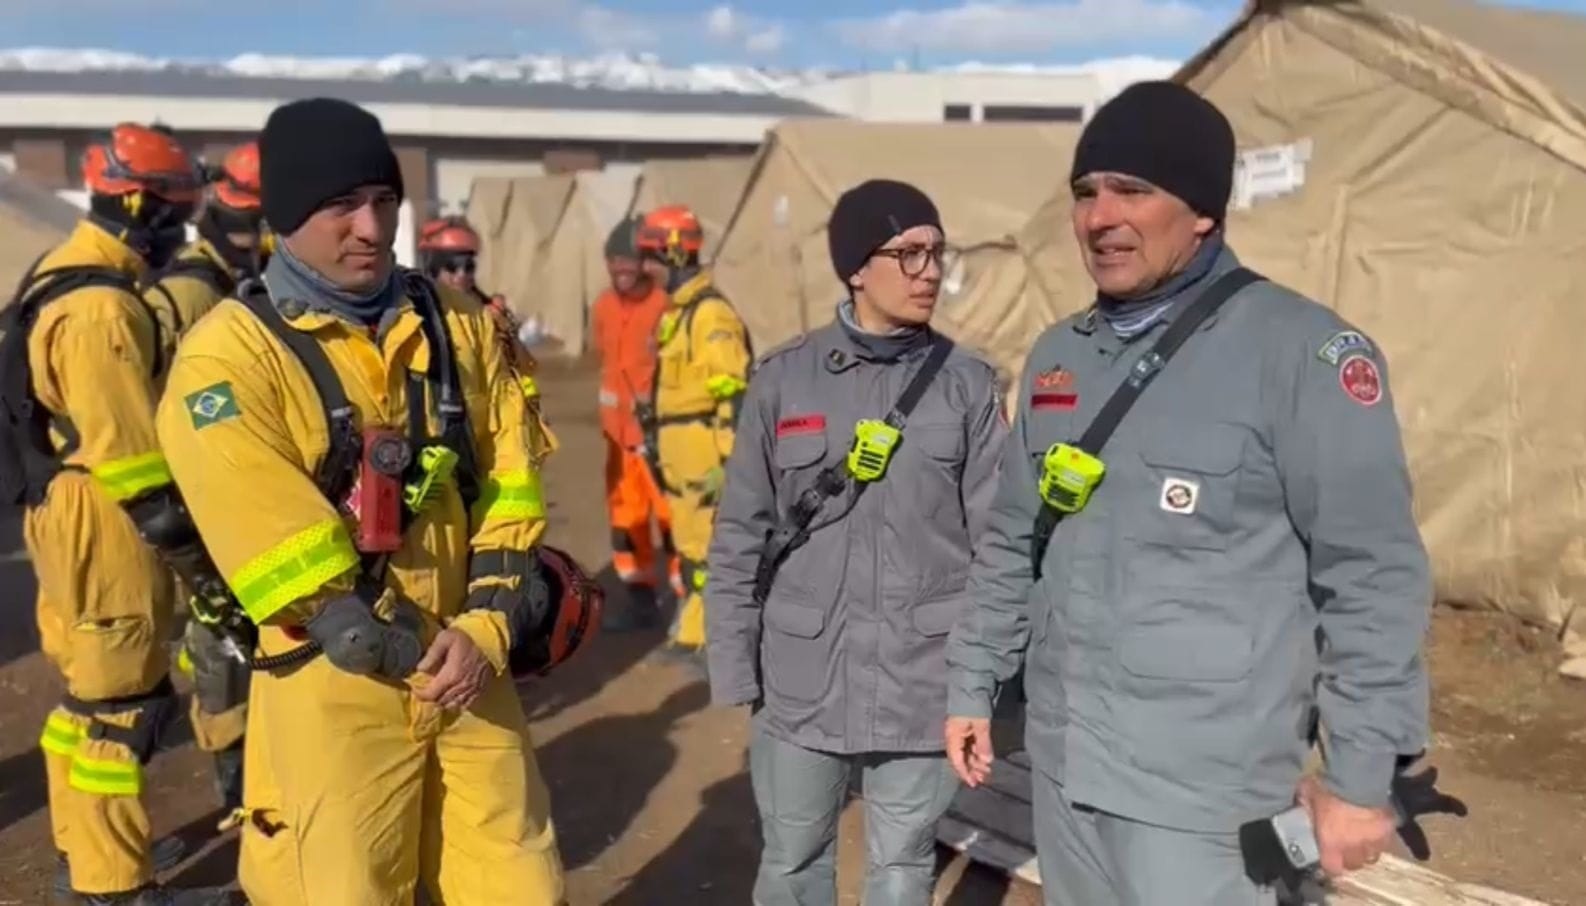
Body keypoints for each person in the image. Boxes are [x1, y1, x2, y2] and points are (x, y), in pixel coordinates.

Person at [943, 81, 1432, 905]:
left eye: (1133, 190)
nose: (1100, 217)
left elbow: (1372, 578)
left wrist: (1357, 778)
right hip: (1067, 775)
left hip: (1207, 800)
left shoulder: (1302, 355)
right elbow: (1014, 540)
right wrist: (972, 681)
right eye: (1086, 194)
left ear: (1203, 210)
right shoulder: (1061, 358)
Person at [153, 97, 567, 905]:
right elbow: (286, 556)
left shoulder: (459, 327)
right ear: (283, 216)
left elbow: (513, 479)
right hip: (332, 689)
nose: (372, 229)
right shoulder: (227, 361)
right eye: (340, 206)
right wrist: (433, 649)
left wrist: (486, 627)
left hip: (471, 668)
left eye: (383, 202)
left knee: (517, 883)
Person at [706, 179, 1006, 904]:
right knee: (793, 862)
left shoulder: (967, 385)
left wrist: (986, 679)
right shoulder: (784, 380)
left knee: (902, 868)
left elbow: (998, 544)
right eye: (908, 253)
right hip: (800, 676)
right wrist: (735, 668)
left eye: (937, 253)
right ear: (855, 267)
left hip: (922, 679)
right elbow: (739, 532)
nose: (929, 271)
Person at [0, 123, 229, 904]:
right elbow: (129, 455)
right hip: (102, 514)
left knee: (83, 697)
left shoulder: (60, 273)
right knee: (121, 705)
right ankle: (115, 885)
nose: (182, 227)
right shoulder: (101, 309)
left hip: (60, 503)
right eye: (173, 209)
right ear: (134, 202)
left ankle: (84, 847)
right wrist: (192, 551)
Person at [143, 138, 271, 815]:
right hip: (201, 496)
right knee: (217, 635)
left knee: (242, 627)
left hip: (243, 487)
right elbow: (183, 400)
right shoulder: (191, 293)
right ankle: (234, 770)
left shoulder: (241, 280)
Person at [633, 204, 752, 661]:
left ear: (675, 255)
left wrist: (730, 461)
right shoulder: (678, 314)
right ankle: (696, 632)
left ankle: (714, 642)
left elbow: (734, 393)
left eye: (651, 256)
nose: (645, 268)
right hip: (681, 452)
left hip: (704, 452)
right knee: (689, 548)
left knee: (710, 550)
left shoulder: (710, 316)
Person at [590, 215, 679, 629]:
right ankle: (640, 599)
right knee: (626, 523)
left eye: (630, 260)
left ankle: (688, 608)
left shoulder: (667, 307)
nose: (622, 268)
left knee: (673, 520)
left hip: (658, 440)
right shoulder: (604, 307)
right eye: (615, 260)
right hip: (616, 440)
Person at [419, 214, 558, 469]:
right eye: (451, 266)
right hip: (445, 433)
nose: (461, 274)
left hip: (498, 437)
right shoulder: (421, 315)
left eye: (468, 266)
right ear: (432, 267)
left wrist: (508, 332)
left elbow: (526, 368)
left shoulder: (490, 312)